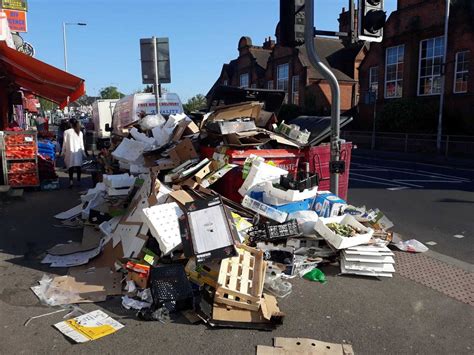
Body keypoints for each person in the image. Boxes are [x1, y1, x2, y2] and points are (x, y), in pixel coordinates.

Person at [61, 119, 87, 188]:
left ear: (70, 124)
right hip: (78, 153)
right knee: (79, 167)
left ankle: (71, 182)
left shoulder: (66, 132)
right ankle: (78, 181)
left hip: (70, 152)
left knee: (70, 167)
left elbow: (64, 143)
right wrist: (83, 153)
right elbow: (82, 144)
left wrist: (62, 152)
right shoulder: (80, 132)